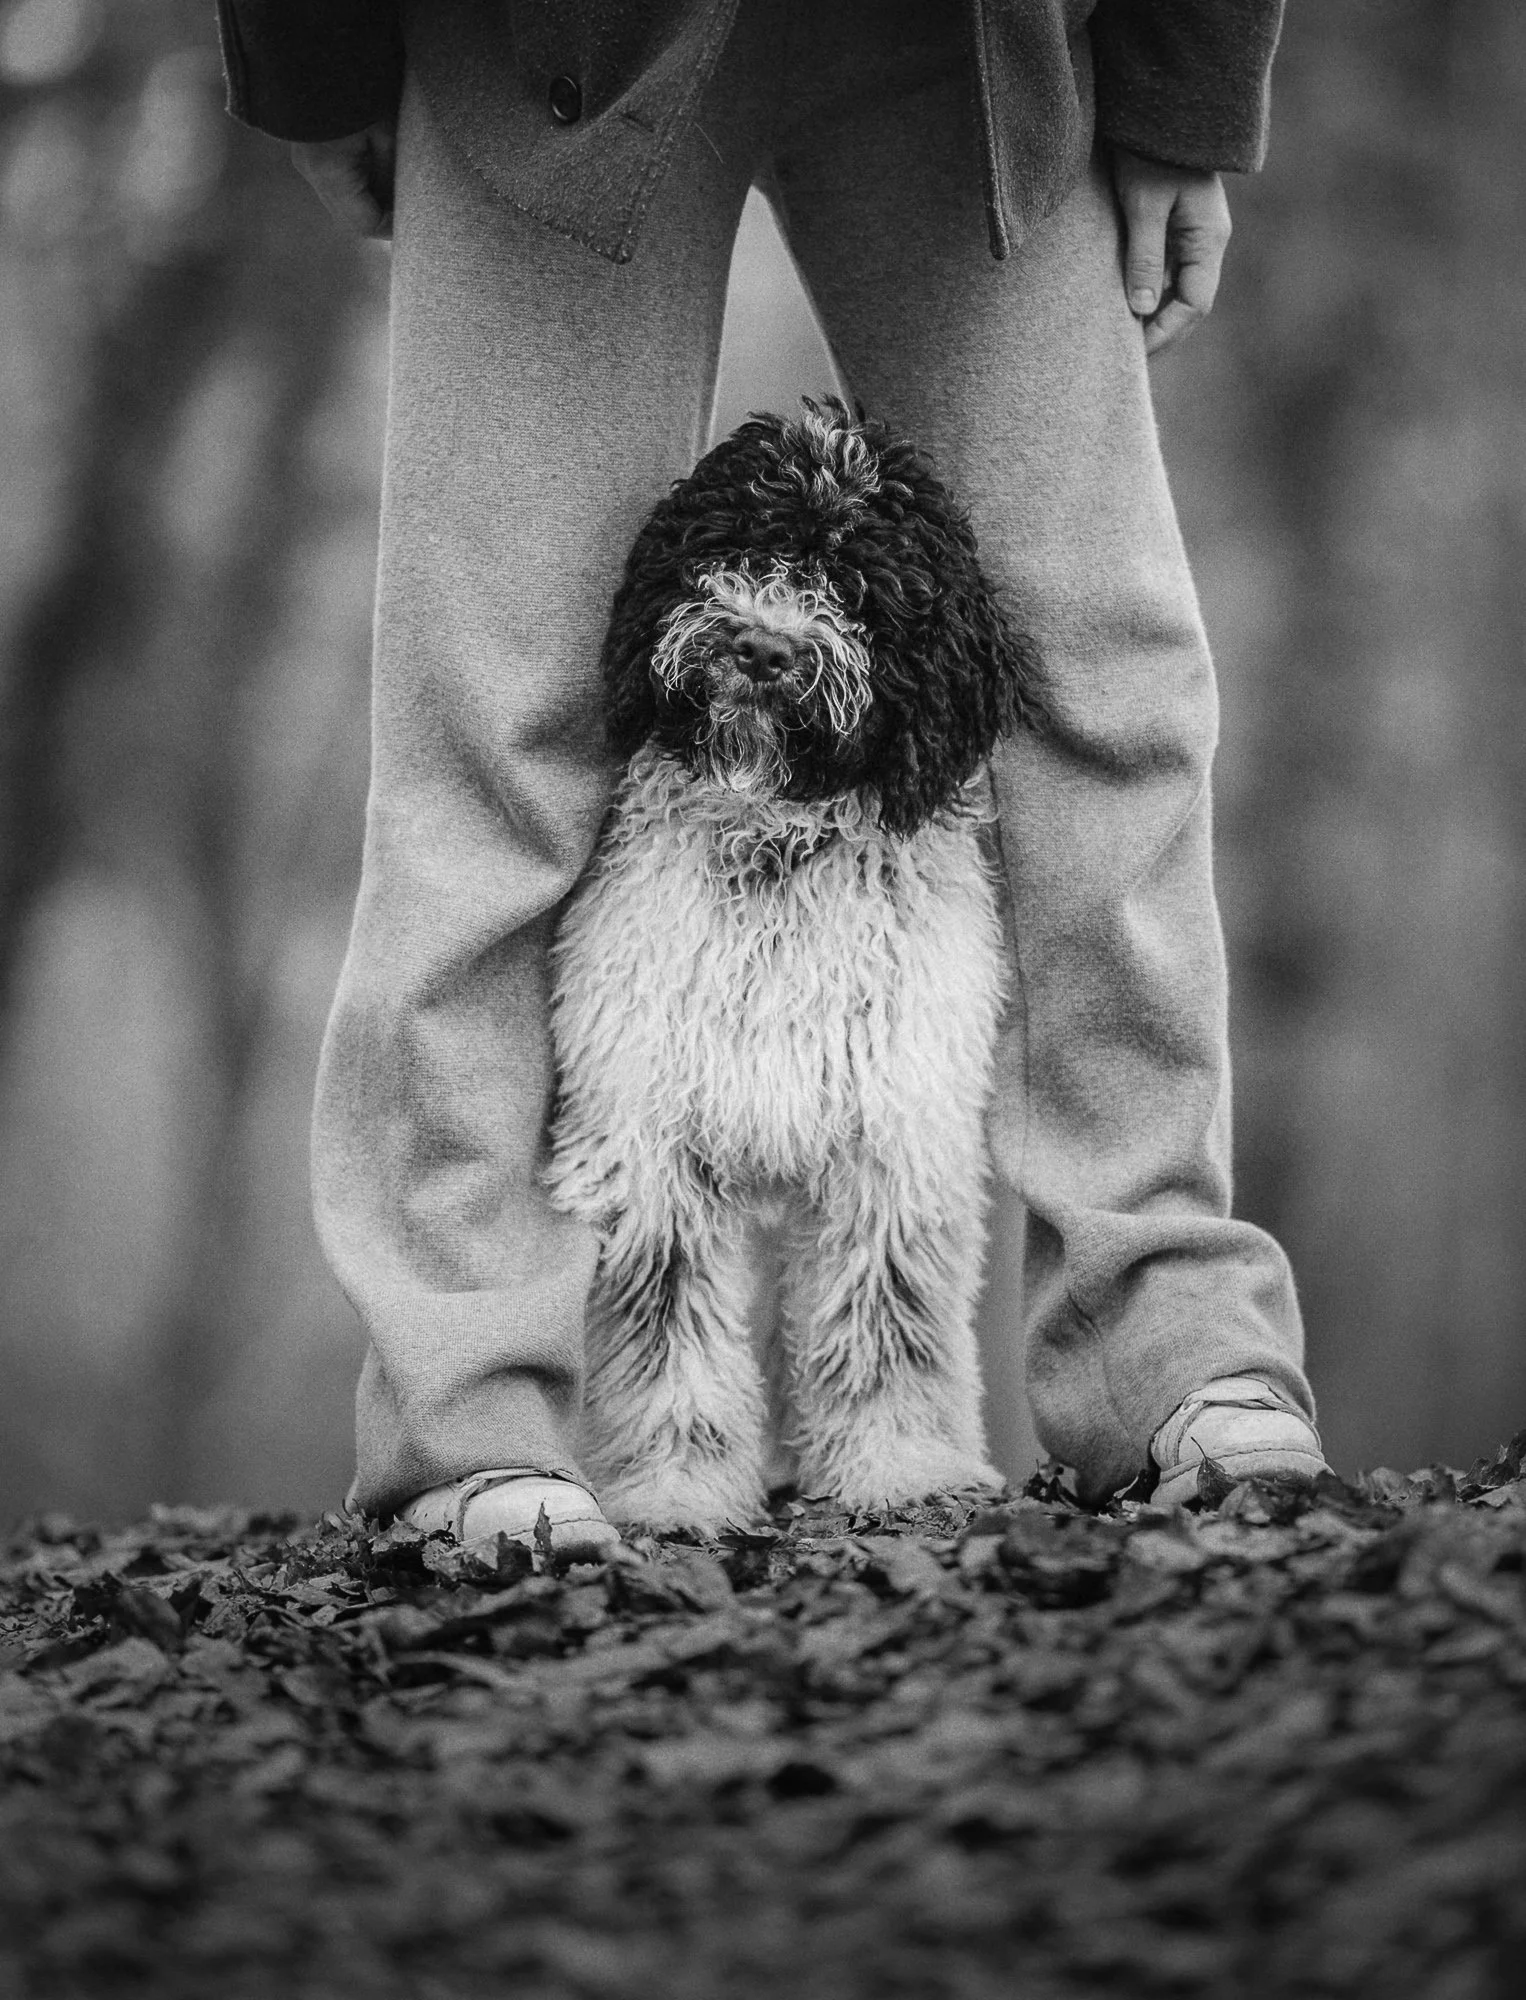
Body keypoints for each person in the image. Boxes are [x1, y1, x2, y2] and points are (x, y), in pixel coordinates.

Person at [214, 0, 1328, 1551]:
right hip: (535, 38)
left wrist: (1185, 79)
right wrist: (312, 52)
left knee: (1099, 671)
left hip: (971, 47)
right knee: (495, 704)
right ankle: (467, 1421)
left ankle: (1173, 1351)